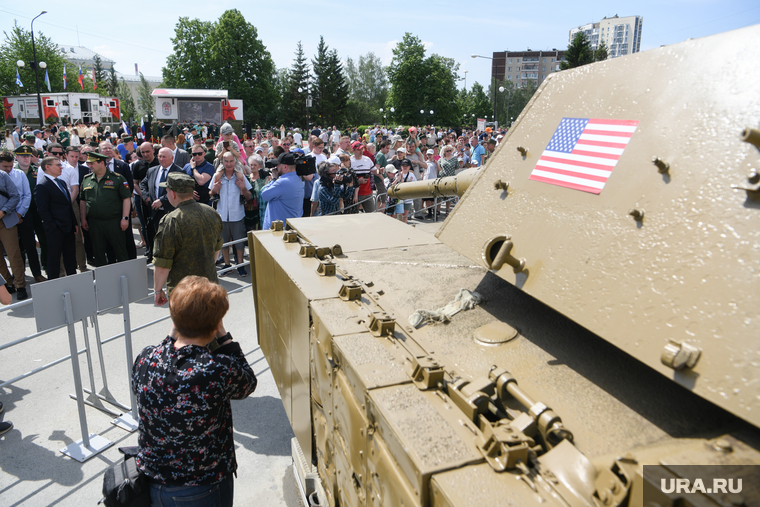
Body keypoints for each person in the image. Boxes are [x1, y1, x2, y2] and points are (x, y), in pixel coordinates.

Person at [132, 275, 256, 506]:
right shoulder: (216, 368)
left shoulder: (146, 358)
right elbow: (248, 383)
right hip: (201, 487)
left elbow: (158, 359)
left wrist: (176, 329)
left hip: (150, 481)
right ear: (215, 323)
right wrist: (225, 337)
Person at [152, 173, 223, 305]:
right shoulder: (211, 212)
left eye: (167, 191)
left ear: (172, 194)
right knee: (214, 323)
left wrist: (157, 290)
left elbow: (162, 264)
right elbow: (216, 249)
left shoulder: (171, 220)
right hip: (210, 285)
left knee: (183, 325)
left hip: (184, 291)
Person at [79, 152, 131, 267]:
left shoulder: (117, 178)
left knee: (120, 251)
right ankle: (104, 279)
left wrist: (125, 218)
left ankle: (126, 276)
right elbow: (83, 200)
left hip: (113, 221)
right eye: (88, 163)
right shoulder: (87, 179)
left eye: (92, 163)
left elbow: (126, 199)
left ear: (101, 163)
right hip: (94, 223)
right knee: (98, 252)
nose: (89, 166)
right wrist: (83, 219)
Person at [34, 156, 77, 279]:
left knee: (70, 256)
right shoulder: (42, 186)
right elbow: (42, 209)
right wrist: (52, 226)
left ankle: (73, 279)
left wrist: (74, 223)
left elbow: (68, 205)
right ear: (47, 167)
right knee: (54, 258)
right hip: (55, 229)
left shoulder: (61, 182)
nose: (61, 167)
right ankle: (53, 282)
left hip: (68, 226)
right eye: (57, 165)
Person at [210, 152, 252, 277]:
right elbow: (210, 194)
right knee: (223, 242)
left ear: (235, 162)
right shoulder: (218, 177)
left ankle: (240, 264)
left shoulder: (240, 177)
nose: (228, 164)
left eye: (231, 161)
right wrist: (214, 190)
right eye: (226, 161)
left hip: (237, 215)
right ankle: (227, 265)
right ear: (222, 162)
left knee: (239, 242)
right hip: (222, 215)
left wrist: (243, 188)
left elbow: (249, 196)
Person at [139, 148, 185, 262]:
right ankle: (157, 258)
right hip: (155, 211)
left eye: (164, 156)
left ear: (172, 158)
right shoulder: (152, 170)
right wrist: (146, 197)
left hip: (170, 211)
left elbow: (178, 190)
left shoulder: (179, 171)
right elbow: (143, 184)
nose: (161, 159)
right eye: (159, 156)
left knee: (170, 238)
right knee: (156, 236)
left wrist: (162, 200)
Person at [260, 152, 304, 230]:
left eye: (278, 165)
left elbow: (264, 195)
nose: (276, 167)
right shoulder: (298, 179)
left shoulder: (282, 182)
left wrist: (273, 179)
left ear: (285, 167)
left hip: (278, 230)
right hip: (291, 225)